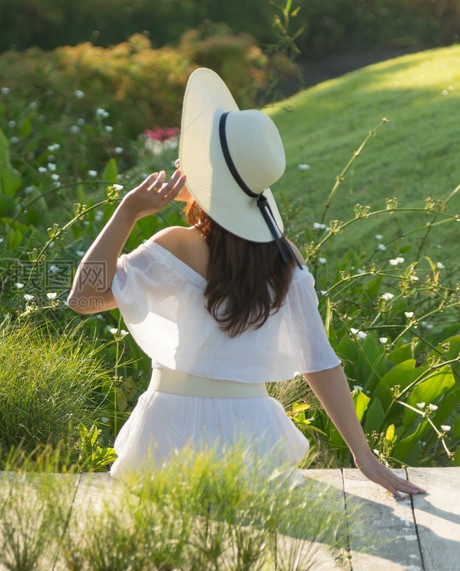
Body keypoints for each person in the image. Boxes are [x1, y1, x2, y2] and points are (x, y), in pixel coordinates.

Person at [67, 67, 425, 498]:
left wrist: (126, 213)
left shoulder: (176, 245)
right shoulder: (281, 257)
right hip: (253, 435)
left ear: (205, 175)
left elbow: (83, 298)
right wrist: (363, 455)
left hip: (169, 431)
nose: (180, 161)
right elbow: (320, 360)